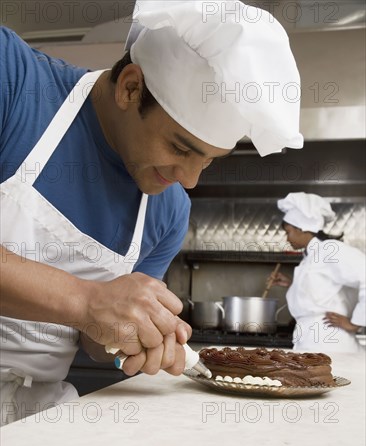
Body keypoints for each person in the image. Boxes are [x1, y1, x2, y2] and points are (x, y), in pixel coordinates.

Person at [0, 1, 303, 424]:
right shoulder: (14, 81)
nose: (190, 179)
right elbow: (86, 305)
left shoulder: (169, 211)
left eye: (210, 160)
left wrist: (133, 330)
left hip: (34, 417)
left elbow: (90, 336)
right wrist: (88, 300)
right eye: (180, 148)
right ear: (129, 87)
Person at [270, 192, 365, 353]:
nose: (287, 239)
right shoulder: (311, 256)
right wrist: (292, 285)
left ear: (303, 228)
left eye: (288, 232)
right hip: (310, 341)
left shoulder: (330, 250)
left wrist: (355, 323)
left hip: (330, 344)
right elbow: (321, 294)